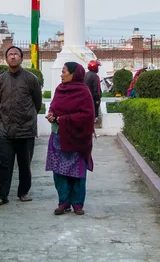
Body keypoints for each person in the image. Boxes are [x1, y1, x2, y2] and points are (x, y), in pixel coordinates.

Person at [0, 46, 42, 206]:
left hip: (26, 130)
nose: (13, 57)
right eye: (10, 54)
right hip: (5, 130)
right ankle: (2, 196)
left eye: (16, 54)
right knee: (5, 165)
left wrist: (27, 117)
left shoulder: (31, 79)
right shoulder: (0, 80)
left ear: (21, 58)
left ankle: (23, 192)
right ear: (6, 59)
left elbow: (37, 103)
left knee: (24, 165)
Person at [46, 62, 95, 216]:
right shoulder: (59, 90)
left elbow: (88, 115)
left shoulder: (84, 92)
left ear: (74, 74)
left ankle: (77, 203)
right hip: (58, 137)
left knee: (78, 171)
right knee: (59, 171)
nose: (61, 74)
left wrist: (65, 119)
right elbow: (54, 107)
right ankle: (63, 202)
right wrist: (51, 115)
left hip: (77, 139)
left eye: (64, 71)